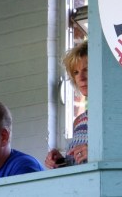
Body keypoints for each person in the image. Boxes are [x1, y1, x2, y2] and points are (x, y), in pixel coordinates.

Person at [45, 40, 88, 168]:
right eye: (76, 72)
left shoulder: (116, 114)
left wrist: (97, 152)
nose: (81, 78)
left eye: (87, 69)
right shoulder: (78, 122)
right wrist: (61, 161)